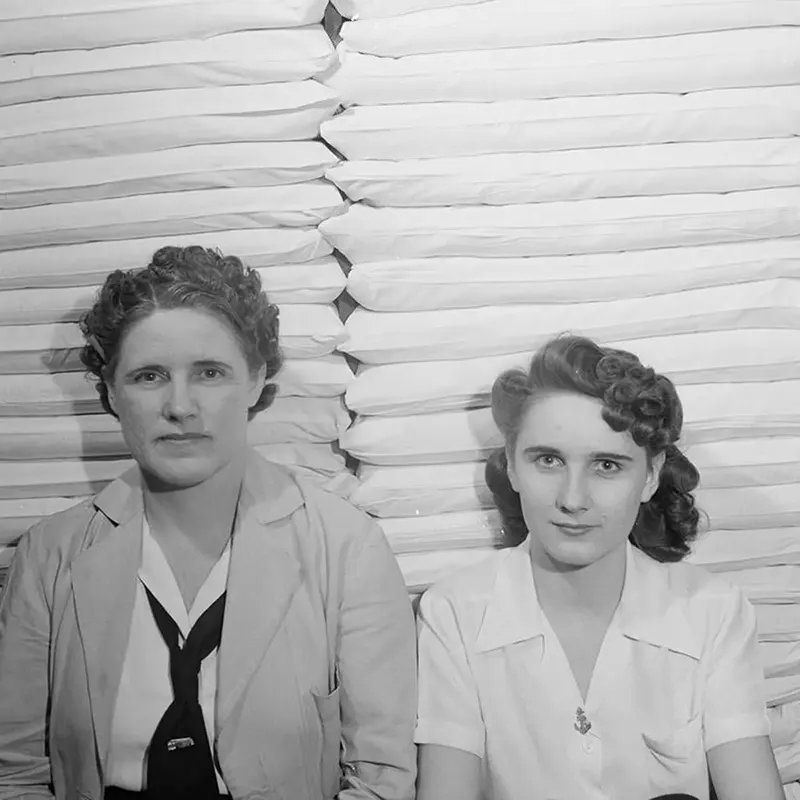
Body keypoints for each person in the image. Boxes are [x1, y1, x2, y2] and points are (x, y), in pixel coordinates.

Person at [0, 246, 417, 800]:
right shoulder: (50, 555)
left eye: (210, 373)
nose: (180, 405)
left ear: (255, 380)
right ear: (110, 393)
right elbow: (15, 773)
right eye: (149, 376)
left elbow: (382, 779)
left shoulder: (346, 548)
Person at [414, 335, 783, 800]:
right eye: (547, 460)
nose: (573, 499)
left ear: (650, 476)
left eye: (607, 465)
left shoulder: (713, 613)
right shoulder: (455, 614)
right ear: (510, 465)